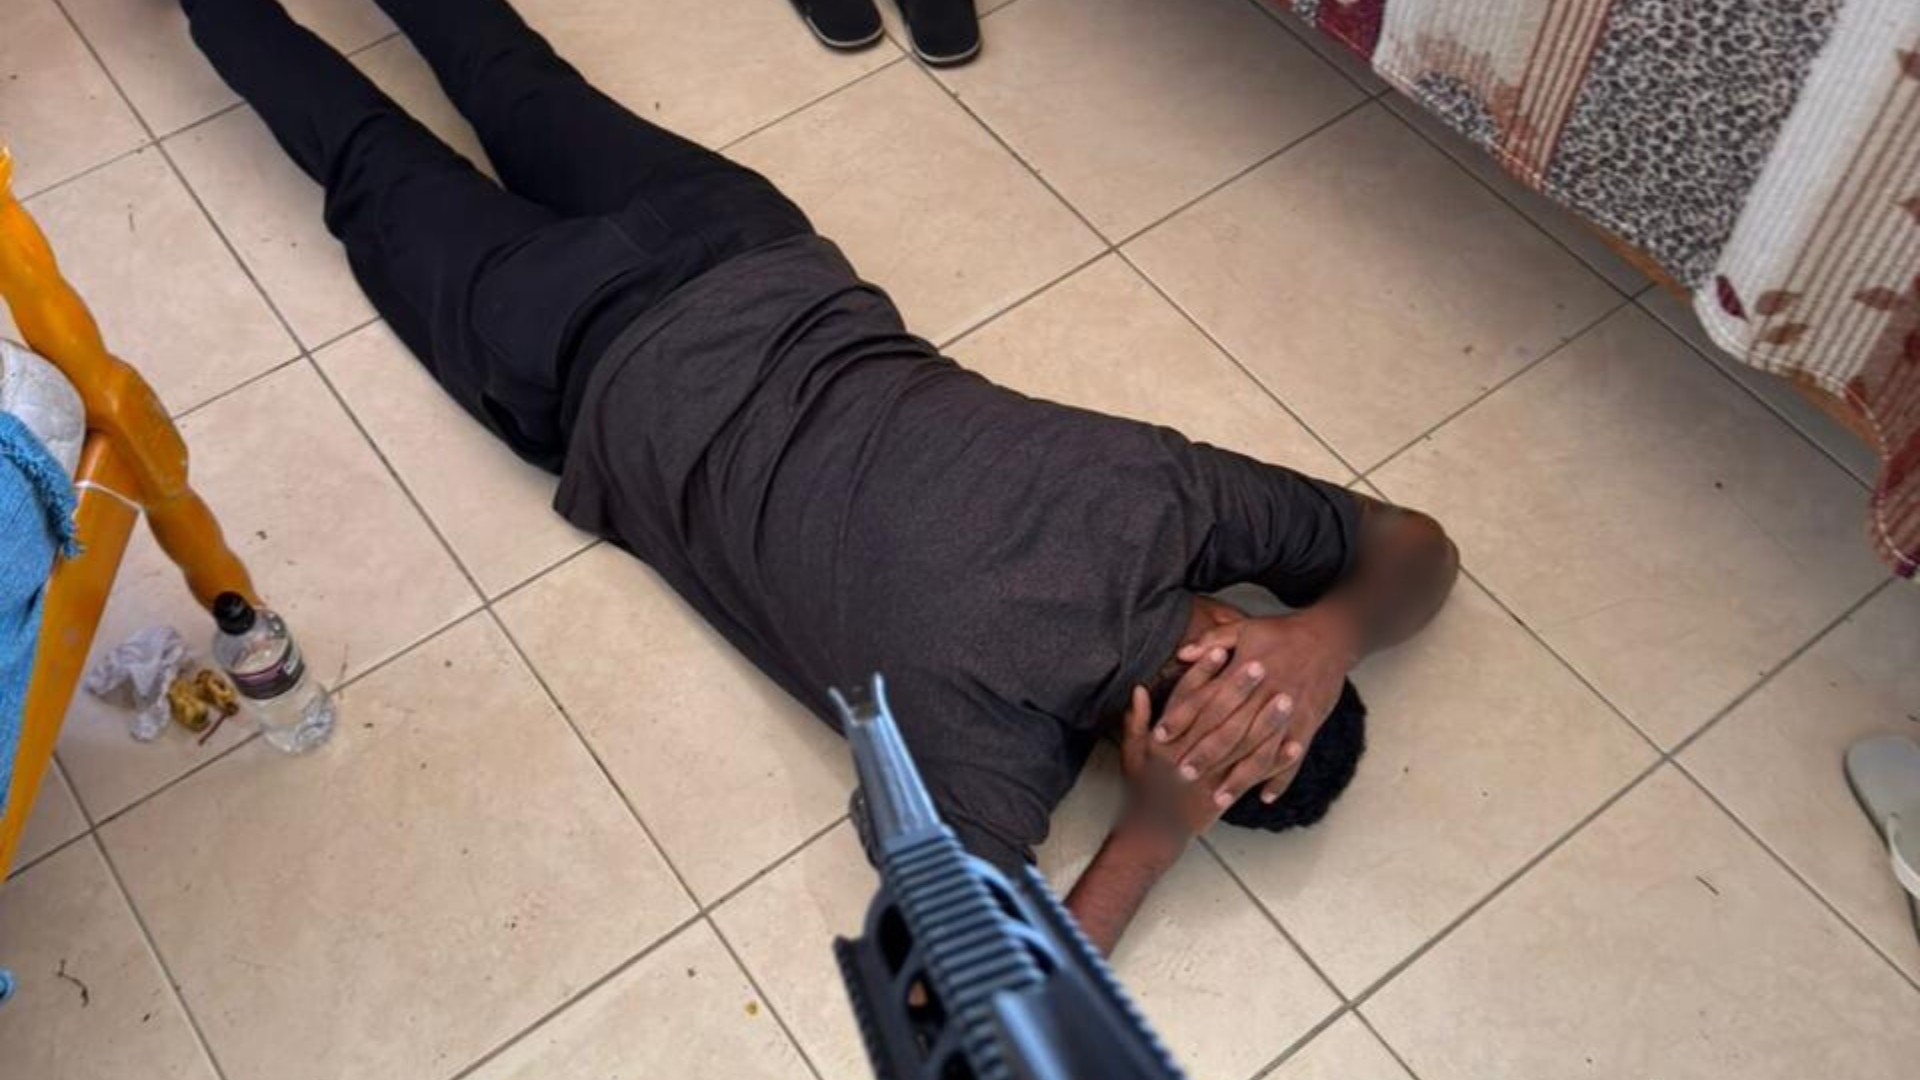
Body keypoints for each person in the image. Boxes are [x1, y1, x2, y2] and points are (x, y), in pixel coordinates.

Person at [182, 0, 1458, 951]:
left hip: (709, 256)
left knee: (498, 76)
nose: (1225, 689)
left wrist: (1320, 641)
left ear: (1240, 615)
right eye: (1260, 694)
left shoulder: (1157, 521)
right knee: (380, 147)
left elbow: (1415, 548)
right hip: (598, 338)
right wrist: (1160, 828)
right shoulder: (987, 748)